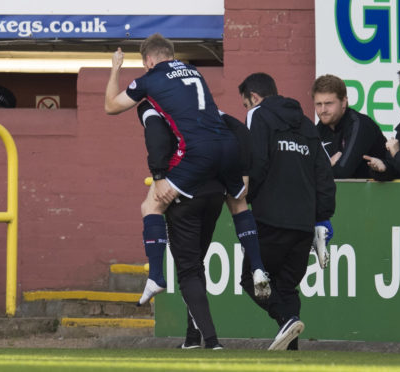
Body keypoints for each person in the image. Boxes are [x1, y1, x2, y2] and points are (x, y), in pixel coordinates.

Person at [104, 33, 270, 305]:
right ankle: (258, 267)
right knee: (238, 204)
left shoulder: (150, 78)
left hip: (197, 151)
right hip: (227, 146)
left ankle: (156, 276)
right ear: (171, 53)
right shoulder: (194, 71)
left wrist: (115, 69)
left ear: (148, 61)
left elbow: (111, 106)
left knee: (151, 206)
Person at [238, 73, 336, 350]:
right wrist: (322, 215)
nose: (246, 110)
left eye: (245, 105)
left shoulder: (258, 116)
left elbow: (256, 163)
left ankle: (285, 318)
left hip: (270, 217)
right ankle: (291, 352)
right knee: (286, 287)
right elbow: (323, 174)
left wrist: (248, 198)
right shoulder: (306, 123)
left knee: (251, 278)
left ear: (254, 98)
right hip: (303, 223)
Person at [136, 101, 226, 349]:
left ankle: (211, 340)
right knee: (196, 266)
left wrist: (159, 175)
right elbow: (233, 133)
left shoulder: (152, 105)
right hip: (215, 189)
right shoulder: (203, 106)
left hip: (182, 189)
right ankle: (192, 338)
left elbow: (158, 140)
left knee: (188, 270)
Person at [312, 74, 386, 178]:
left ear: (343, 102)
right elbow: (303, 171)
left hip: (382, 192)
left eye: (328, 103)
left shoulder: (360, 125)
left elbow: (342, 172)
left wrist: (324, 166)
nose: (323, 110)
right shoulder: (320, 128)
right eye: (318, 104)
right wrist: (329, 164)